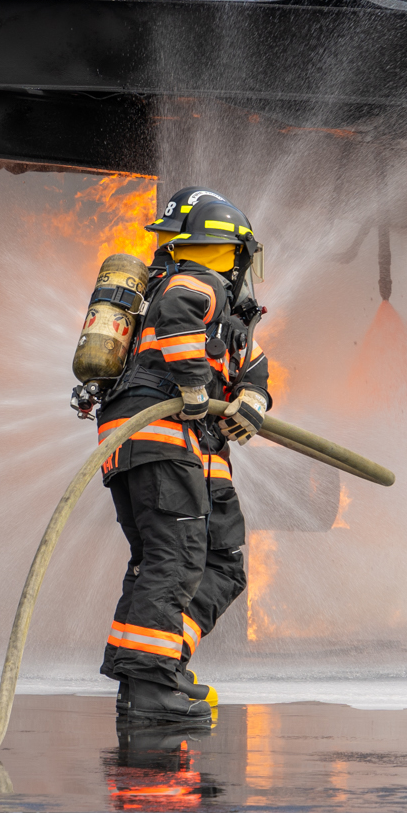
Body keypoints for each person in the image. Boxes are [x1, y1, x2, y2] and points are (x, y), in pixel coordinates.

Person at [96, 187, 270, 725]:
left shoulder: (225, 313)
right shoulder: (195, 279)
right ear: (228, 247)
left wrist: (254, 401)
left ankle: (157, 667)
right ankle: (150, 690)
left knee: (219, 564)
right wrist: (195, 386)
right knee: (174, 559)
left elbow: (256, 368)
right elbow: (177, 320)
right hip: (162, 441)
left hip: (185, 453)